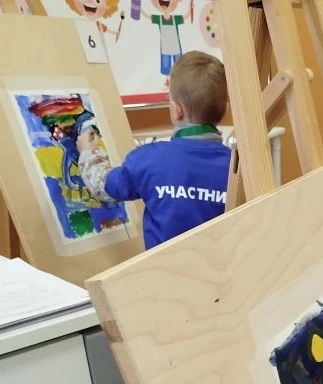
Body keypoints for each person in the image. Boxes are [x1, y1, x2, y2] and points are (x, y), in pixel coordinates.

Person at [78, 51, 231, 250]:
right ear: (223, 109)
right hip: (223, 268)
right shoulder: (238, 166)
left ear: (176, 109)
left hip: (162, 270)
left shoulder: (149, 160)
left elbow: (103, 185)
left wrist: (88, 152)